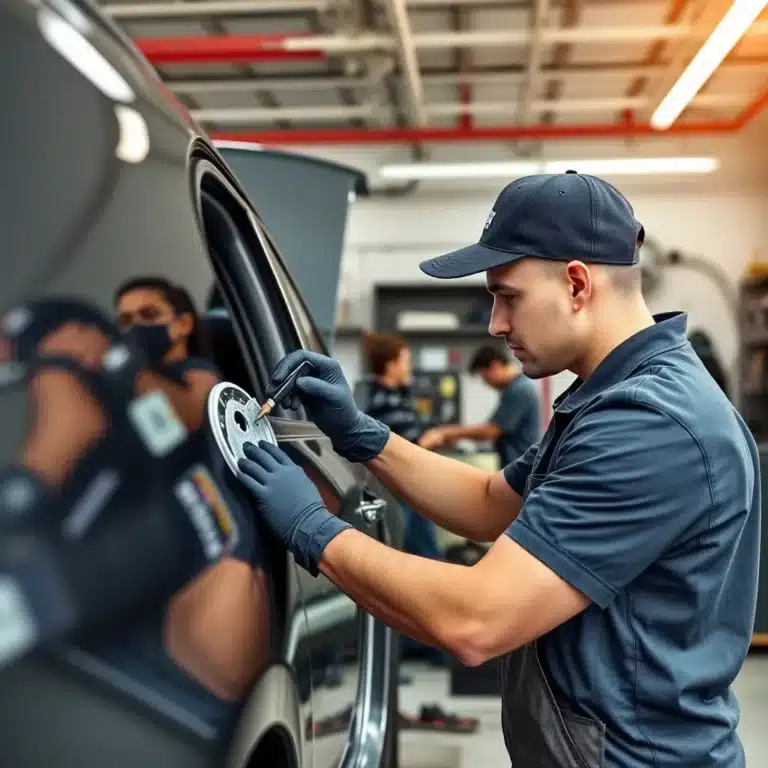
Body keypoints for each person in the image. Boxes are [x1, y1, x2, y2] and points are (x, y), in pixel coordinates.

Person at [235, 171, 760, 767]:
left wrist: (312, 529)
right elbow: (490, 500)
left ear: (577, 284)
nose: (495, 325)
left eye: (507, 296)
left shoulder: (650, 424)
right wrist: (363, 436)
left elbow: (475, 621)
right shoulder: (609, 398)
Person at [419, 344, 541, 469]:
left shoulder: (519, 390)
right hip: (517, 466)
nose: (486, 383)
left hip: (523, 469)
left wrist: (445, 432)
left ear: (495, 366)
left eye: (485, 377)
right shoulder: (514, 388)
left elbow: (490, 431)